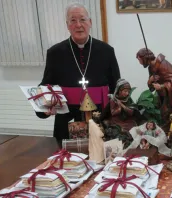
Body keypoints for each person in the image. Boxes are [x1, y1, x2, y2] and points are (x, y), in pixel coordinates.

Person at [36, 2, 121, 144]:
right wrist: (43, 109)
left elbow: (116, 86)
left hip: (100, 118)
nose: (78, 25)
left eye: (82, 19)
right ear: (67, 25)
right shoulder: (55, 53)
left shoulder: (106, 51)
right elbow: (46, 85)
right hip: (67, 120)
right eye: (73, 20)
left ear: (90, 22)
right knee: (69, 163)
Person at [136, 48, 172, 135]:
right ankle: (168, 136)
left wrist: (162, 86)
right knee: (165, 116)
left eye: (140, 60)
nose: (140, 63)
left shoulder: (163, 65)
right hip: (165, 97)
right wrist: (150, 81)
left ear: (145, 58)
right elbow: (152, 87)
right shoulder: (151, 68)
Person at [100, 79, 140, 149]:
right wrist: (119, 109)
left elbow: (131, 112)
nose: (127, 93)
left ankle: (131, 145)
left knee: (133, 129)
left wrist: (122, 106)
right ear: (119, 90)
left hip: (128, 120)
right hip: (117, 121)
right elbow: (113, 113)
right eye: (125, 91)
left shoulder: (128, 99)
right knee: (119, 132)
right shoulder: (113, 100)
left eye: (128, 91)